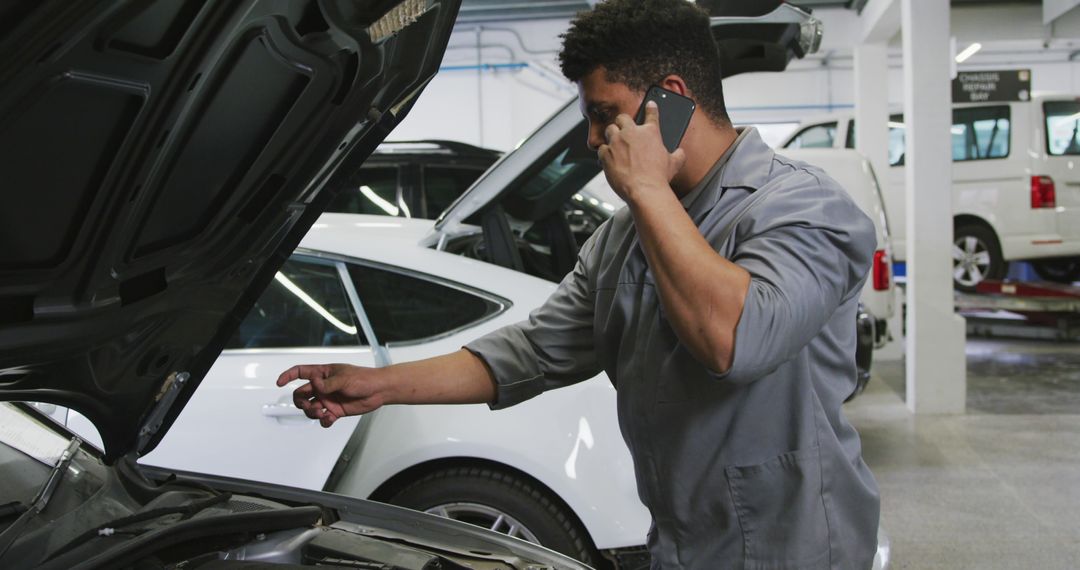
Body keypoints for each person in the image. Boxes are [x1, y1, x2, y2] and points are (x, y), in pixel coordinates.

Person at [277, 0, 880, 567]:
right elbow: (533, 351)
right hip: (680, 542)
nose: (594, 140)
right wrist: (381, 385)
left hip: (795, 549)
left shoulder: (802, 206)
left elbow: (735, 340)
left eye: (603, 115)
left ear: (669, 102)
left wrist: (645, 188)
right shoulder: (624, 236)